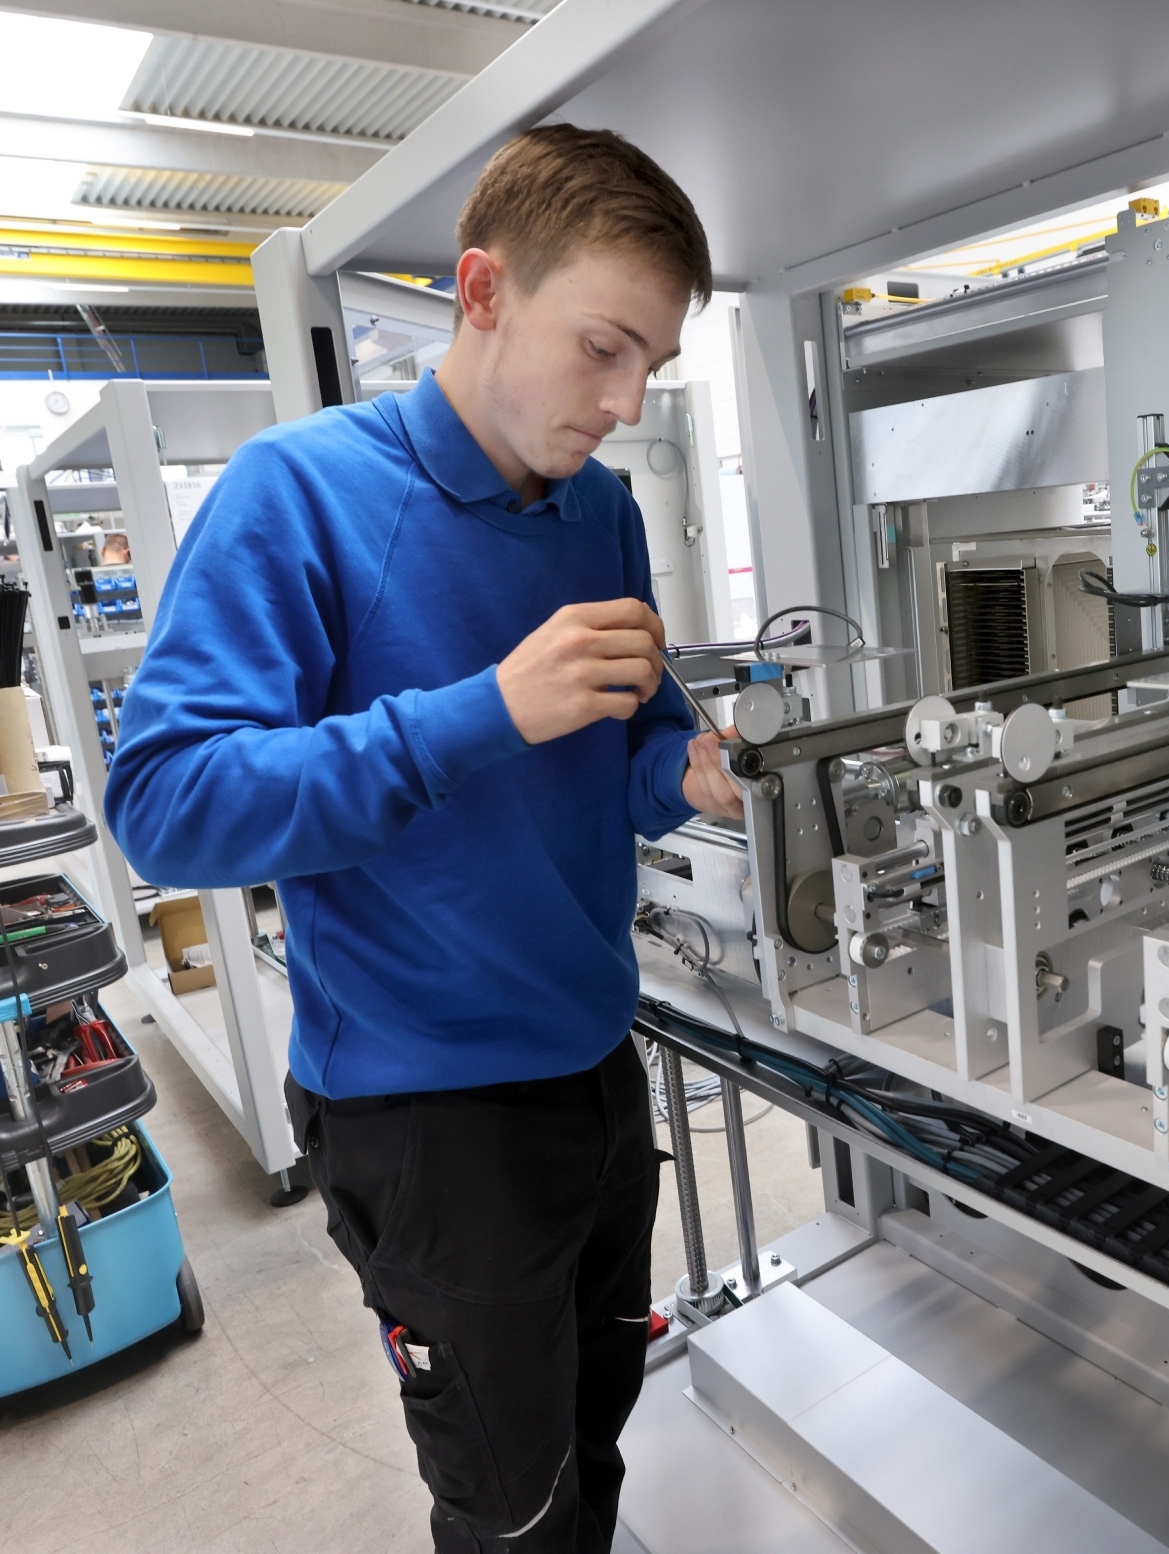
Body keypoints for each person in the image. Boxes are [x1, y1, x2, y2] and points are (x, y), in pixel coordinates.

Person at [104, 126, 744, 1554]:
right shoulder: (299, 494)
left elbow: (629, 752)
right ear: (482, 290)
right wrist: (479, 712)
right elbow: (164, 801)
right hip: (430, 1118)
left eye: (652, 364)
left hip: (598, 1069)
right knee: (508, 1500)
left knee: (595, 1420)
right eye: (602, 347)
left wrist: (691, 778)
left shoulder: (602, 511)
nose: (626, 402)